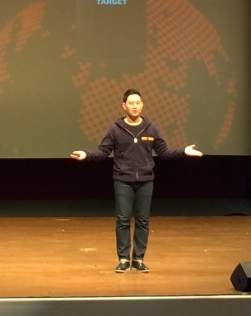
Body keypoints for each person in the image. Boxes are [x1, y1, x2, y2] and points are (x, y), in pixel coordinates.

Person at [70, 88, 202, 273]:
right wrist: (87, 154)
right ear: (124, 106)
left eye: (138, 103)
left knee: (143, 221)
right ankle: (124, 259)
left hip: (146, 180)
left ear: (142, 105)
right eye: (131, 103)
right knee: (123, 220)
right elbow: (103, 151)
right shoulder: (115, 129)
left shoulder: (151, 128)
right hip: (122, 180)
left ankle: (138, 259)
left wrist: (183, 152)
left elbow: (163, 151)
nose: (134, 106)